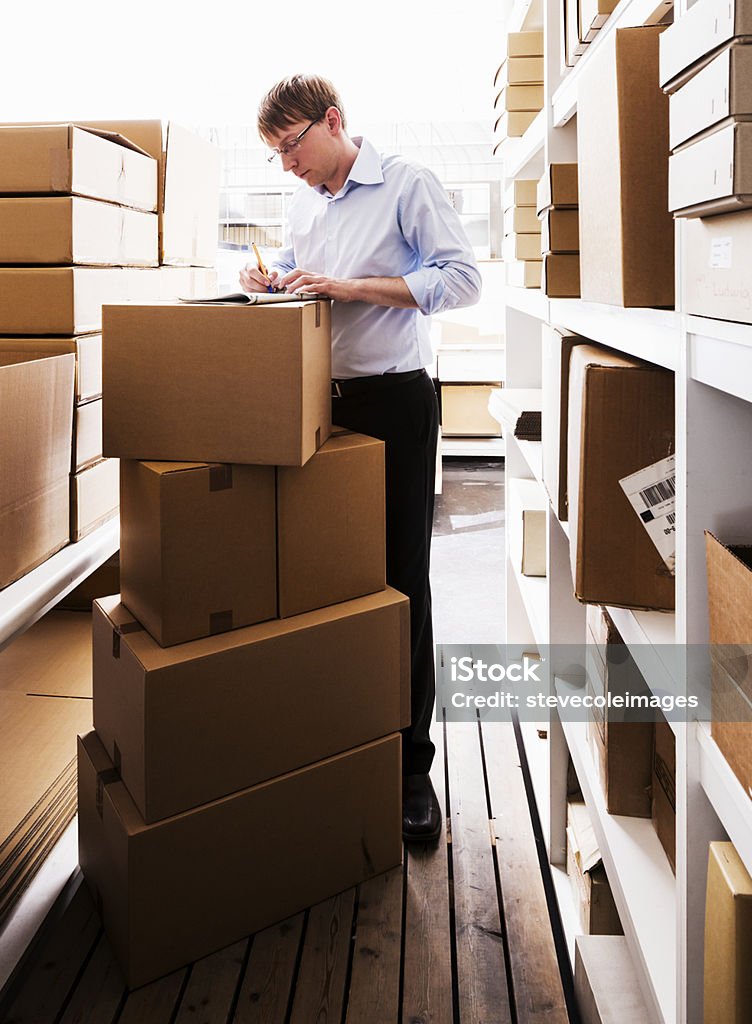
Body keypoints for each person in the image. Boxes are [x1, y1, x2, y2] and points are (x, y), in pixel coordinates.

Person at [239, 74, 481, 841]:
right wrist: (267, 277)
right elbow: (301, 271)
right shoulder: (305, 201)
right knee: (329, 576)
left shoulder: (406, 182)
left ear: (333, 121)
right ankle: (339, 746)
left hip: (392, 401)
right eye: (277, 154)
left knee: (401, 580)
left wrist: (350, 288)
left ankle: (413, 770)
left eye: (290, 147)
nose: (287, 166)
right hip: (318, 405)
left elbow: (462, 280)